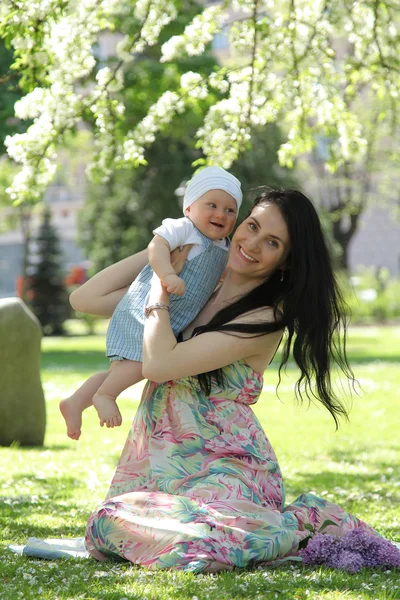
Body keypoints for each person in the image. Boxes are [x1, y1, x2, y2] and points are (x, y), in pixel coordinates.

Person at [71, 188, 384, 572]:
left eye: (272, 242)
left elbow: (158, 365)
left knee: (201, 530)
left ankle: (293, 528)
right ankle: (230, 542)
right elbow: (86, 298)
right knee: (108, 522)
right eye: (251, 226)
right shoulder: (198, 283)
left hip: (228, 469)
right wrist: (171, 246)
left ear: (285, 261)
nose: (251, 243)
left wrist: (159, 290)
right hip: (165, 470)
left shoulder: (264, 319)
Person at [60, 166, 242, 440]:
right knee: (137, 367)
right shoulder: (185, 229)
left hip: (169, 317)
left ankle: (76, 401)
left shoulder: (223, 246)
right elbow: (156, 247)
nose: (221, 214)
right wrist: (167, 273)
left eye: (230, 210)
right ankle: (106, 395)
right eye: (212, 205)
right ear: (189, 208)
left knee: (123, 370)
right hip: (145, 310)